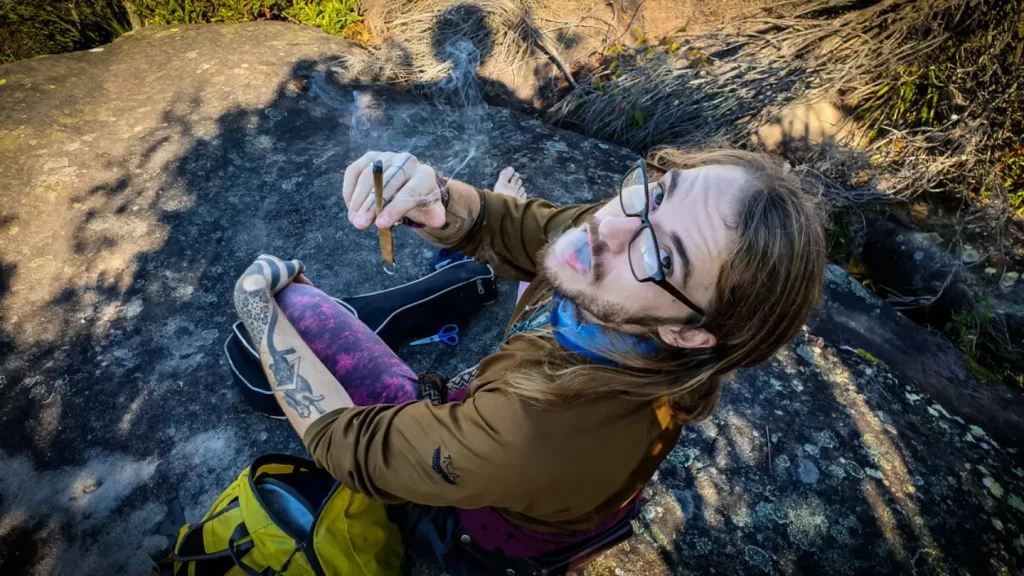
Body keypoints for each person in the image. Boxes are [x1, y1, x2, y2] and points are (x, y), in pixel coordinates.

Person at [232, 149, 827, 570]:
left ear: (691, 334)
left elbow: (350, 448)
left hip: (491, 526)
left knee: (295, 311)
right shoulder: (631, 254)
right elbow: (525, 227)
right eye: (658, 188)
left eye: (659, 256)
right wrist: (437, 197)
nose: (610, 223)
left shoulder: (529, 429)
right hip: (567, 491)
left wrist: (259, 311)